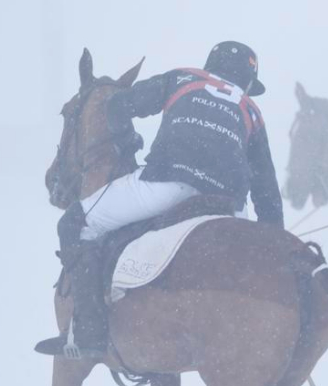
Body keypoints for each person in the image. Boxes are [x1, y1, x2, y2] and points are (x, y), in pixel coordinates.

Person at [36, 40, 284, 359]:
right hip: (229, 205)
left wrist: (127, 142)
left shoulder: (182, 78)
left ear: (210, 66)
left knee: (74, 221)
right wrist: (271, 244)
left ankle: (89, 333)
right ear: (247, 83)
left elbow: (117, 106)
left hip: (169, 183)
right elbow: (267, 192)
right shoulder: (252, 109)